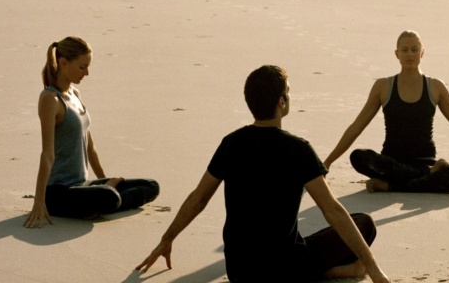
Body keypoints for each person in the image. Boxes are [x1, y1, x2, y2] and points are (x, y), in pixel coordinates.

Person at [136, 65, 390, 283]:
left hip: (240, 270)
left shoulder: (231, 143)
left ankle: (330, 269)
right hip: (285, 268)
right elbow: (332, 210)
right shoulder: (298, 149)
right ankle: (336, 271)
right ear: (281, 102)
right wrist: (375, 268)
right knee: (364, 223)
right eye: (288, 92)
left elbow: (198, 199)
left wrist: (166, 239)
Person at [324, 30, 449, 193]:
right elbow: (356, 127)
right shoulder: (383, 86)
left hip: (424, 162)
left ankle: (392, 187)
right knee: (359, 156)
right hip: (391, 162)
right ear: (396, 54)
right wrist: (327, 162)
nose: (410, 54)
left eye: (415, 49)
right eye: (404, 50)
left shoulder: (435, 87)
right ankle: (423, 178)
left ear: (422, 53)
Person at [24, 37, 159, 228]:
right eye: (82, 67)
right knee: (109, 196)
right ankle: (104, 200)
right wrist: (39, 202)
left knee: (151, 186)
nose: (87, 73)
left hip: (83, 186)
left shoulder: (75, 94)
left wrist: (104, 180)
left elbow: (90, 147)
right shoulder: (50, 100)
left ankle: (100, 202)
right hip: (58, 192)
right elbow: (47, 154)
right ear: (63, 63)